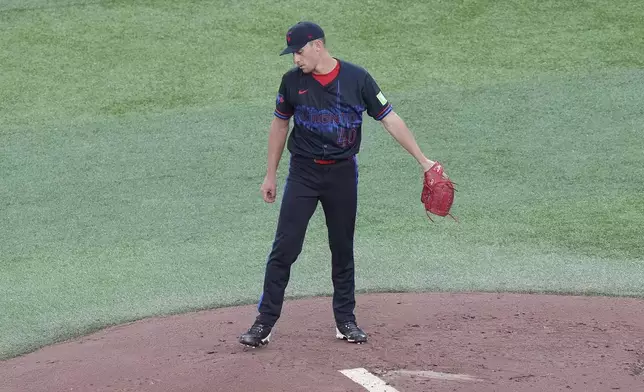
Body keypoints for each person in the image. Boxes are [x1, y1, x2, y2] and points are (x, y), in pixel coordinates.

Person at [239, 21, 442, 347]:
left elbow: (390, 118)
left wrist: (423, 160)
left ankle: (345, 320)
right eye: (292, 54)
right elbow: (279, 125)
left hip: (342, 174)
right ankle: (264, 323)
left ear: (318, 45)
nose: (295, 60)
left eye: (299, 52)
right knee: (285, 248)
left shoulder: (357, 79)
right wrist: (270, 173)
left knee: (342, 248)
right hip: (303, 173)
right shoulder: (291, 82)